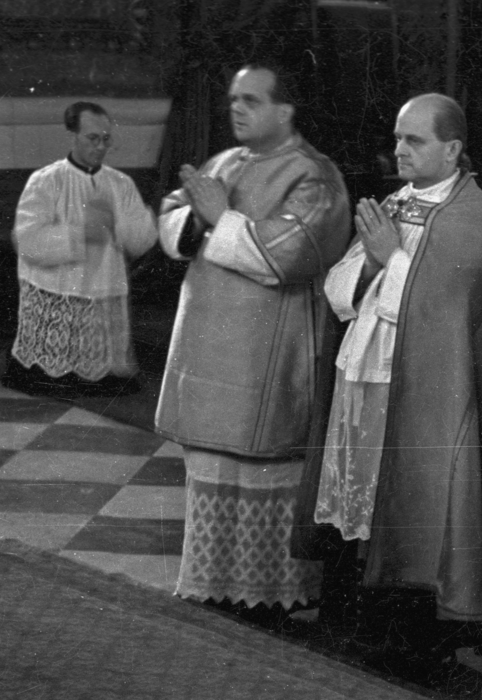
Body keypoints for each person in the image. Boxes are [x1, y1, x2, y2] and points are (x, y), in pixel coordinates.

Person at [308, 92, 482, 672]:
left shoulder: (475, 216)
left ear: (453, 148)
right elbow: (339, 292)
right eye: (397, 137)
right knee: (368, 496)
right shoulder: (396, 202)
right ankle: (361, 621)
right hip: (369, 374)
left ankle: (415, 640)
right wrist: (371, 262)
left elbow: (446, 312)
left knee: (420, 504)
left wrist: (392, 259)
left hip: (432, 395)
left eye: (414, 140)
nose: (400, 149)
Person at [155, 63, 352, 619]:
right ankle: (211, 584)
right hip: (210, 351)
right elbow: (172, 216)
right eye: (233, 99)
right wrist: (197, 219)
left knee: (262, 466)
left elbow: (288, 255)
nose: (236, 109)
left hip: (269, 353)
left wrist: (220, 216)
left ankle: (265, 595)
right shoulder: (223, 162)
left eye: (251, 100)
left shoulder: (314, 175)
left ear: (285, 110)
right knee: (213, 468)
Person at [8, 101, 157, 396]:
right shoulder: (46, 181)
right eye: (92, 138)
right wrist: (79, 234)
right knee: (51, 381)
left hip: (102, 285)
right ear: (71, 136)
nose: (100, 146)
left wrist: (118, 226)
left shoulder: (121, 184)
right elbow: (26, 241)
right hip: (57, 286)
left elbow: (143, 240)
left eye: (106, 139)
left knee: (108, 383)